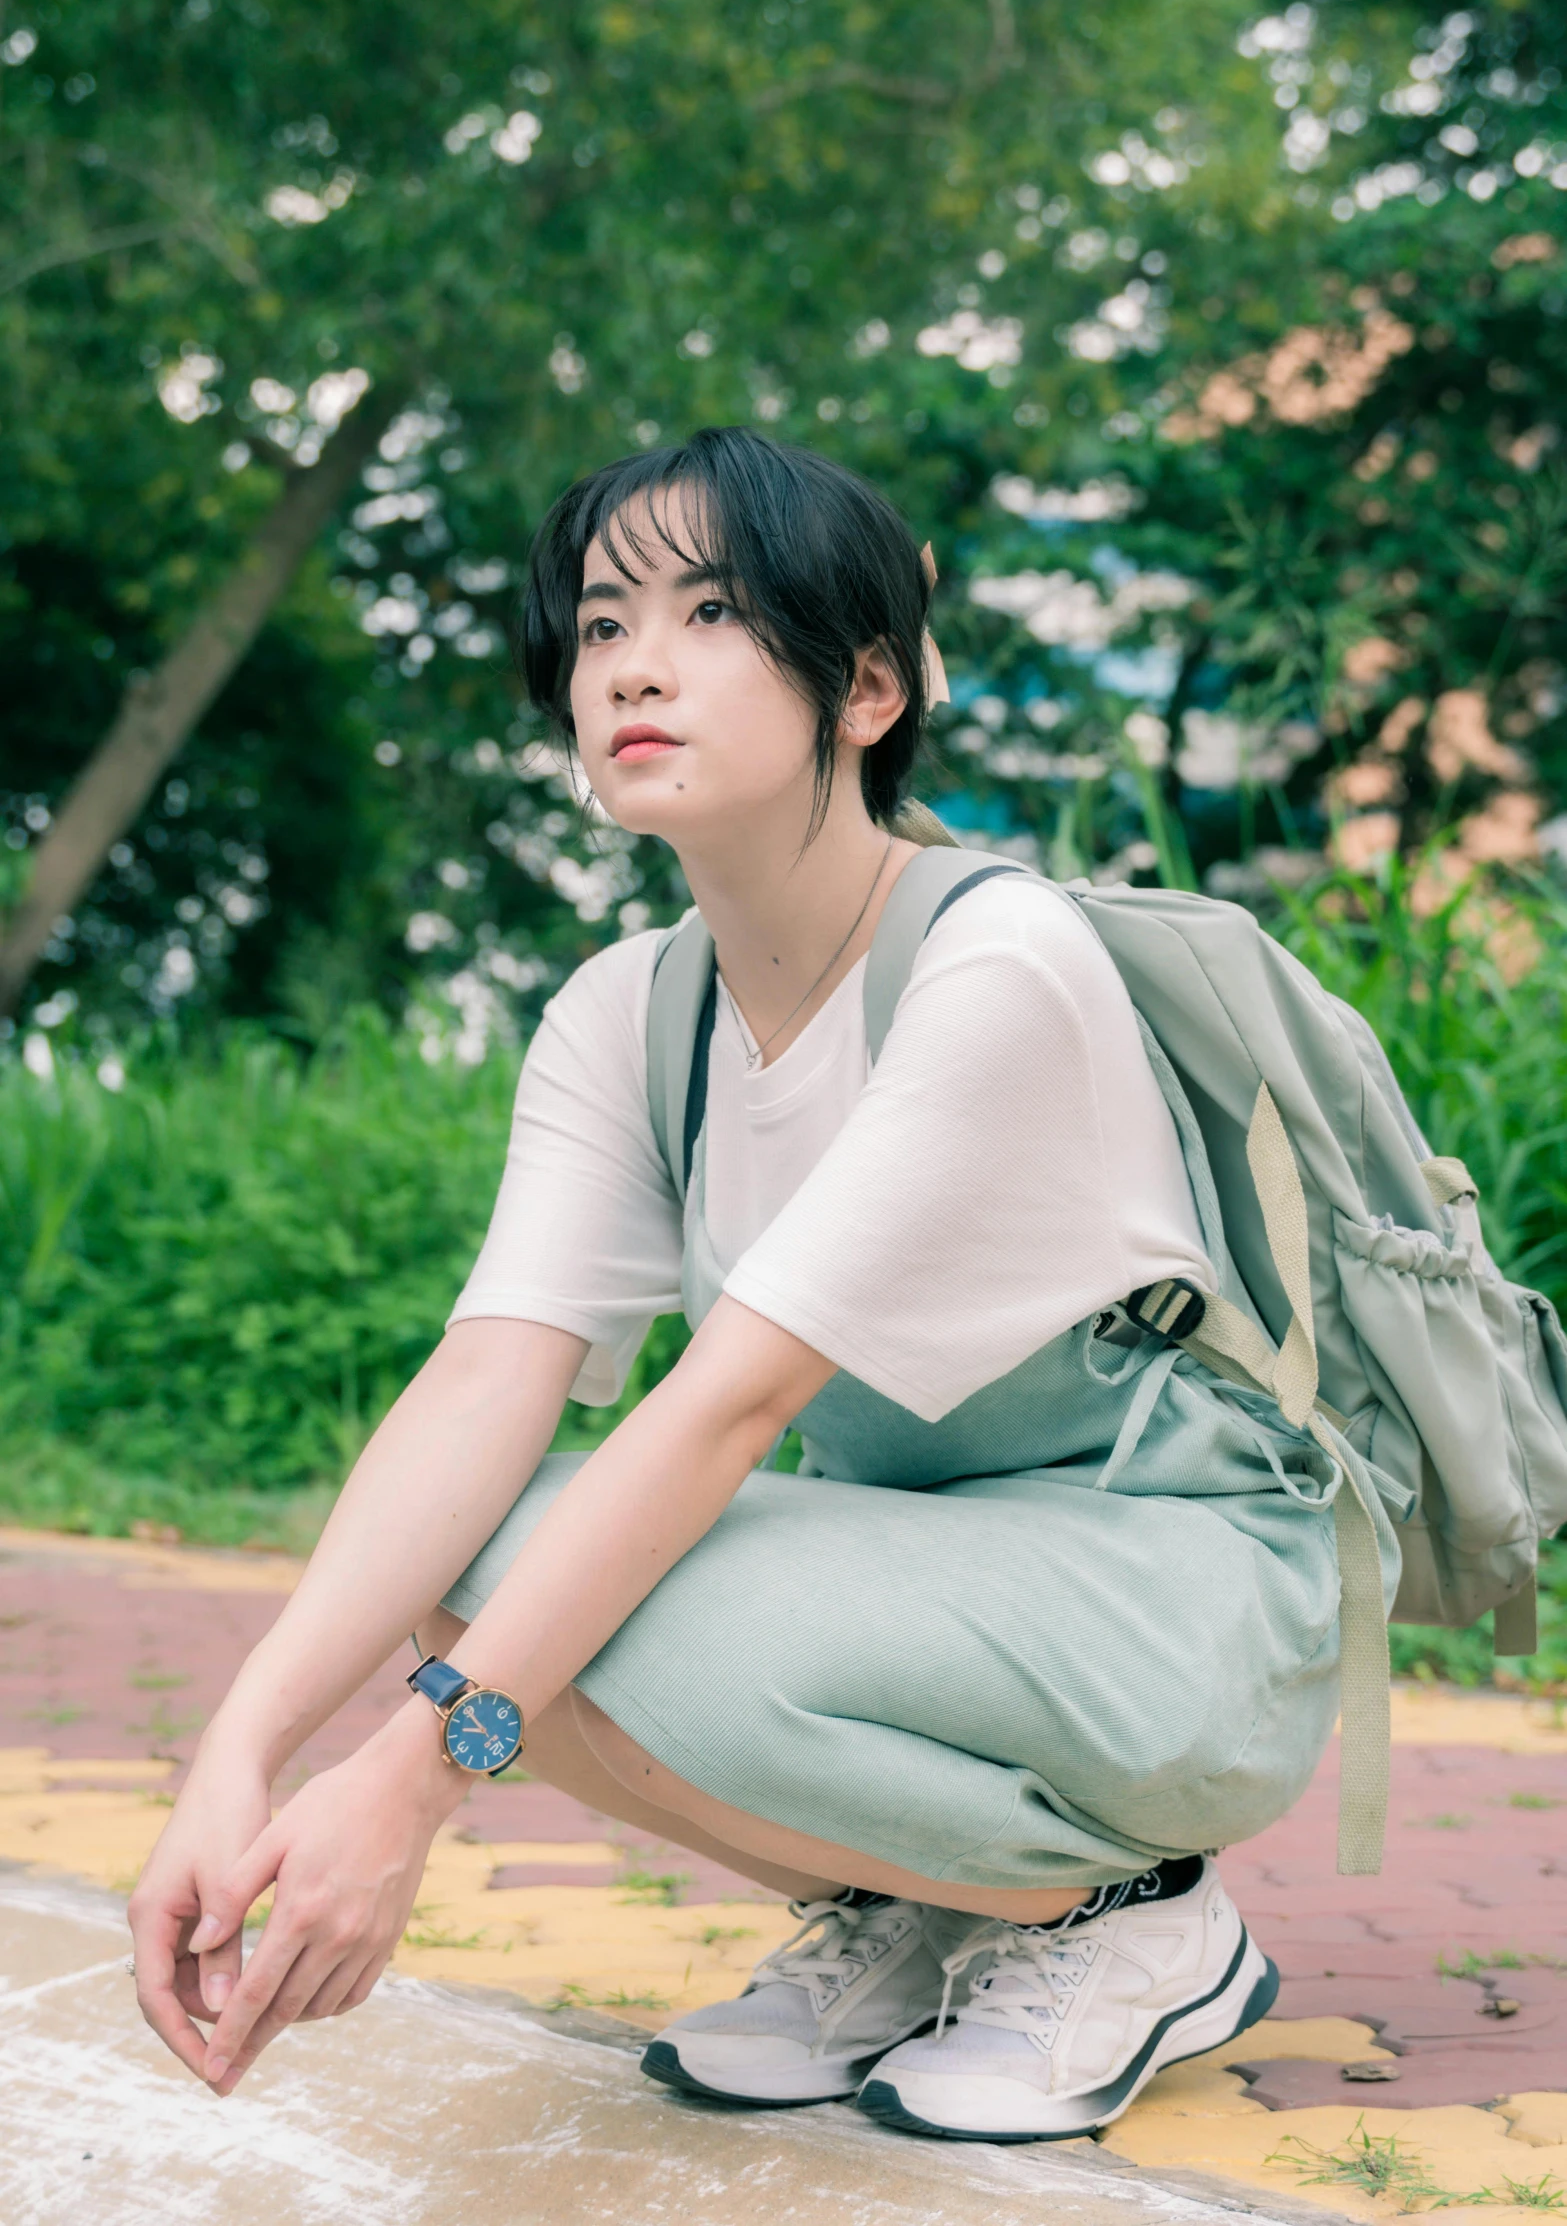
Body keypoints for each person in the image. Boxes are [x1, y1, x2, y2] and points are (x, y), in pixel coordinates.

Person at [130, 426, 1361, 2142]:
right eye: (601, 620)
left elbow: (730, 1408)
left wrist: (404, 1783)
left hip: (1182, 1598)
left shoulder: (991, 959)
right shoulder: (634, 1011)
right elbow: (486, 1381)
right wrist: (243, 1750)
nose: (631, 661)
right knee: (477, 1575)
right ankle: (925, 1909)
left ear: (863, 690)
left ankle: (1126, 1915)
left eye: (709, 611)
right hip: (947, 1589)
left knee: (536, 1636)